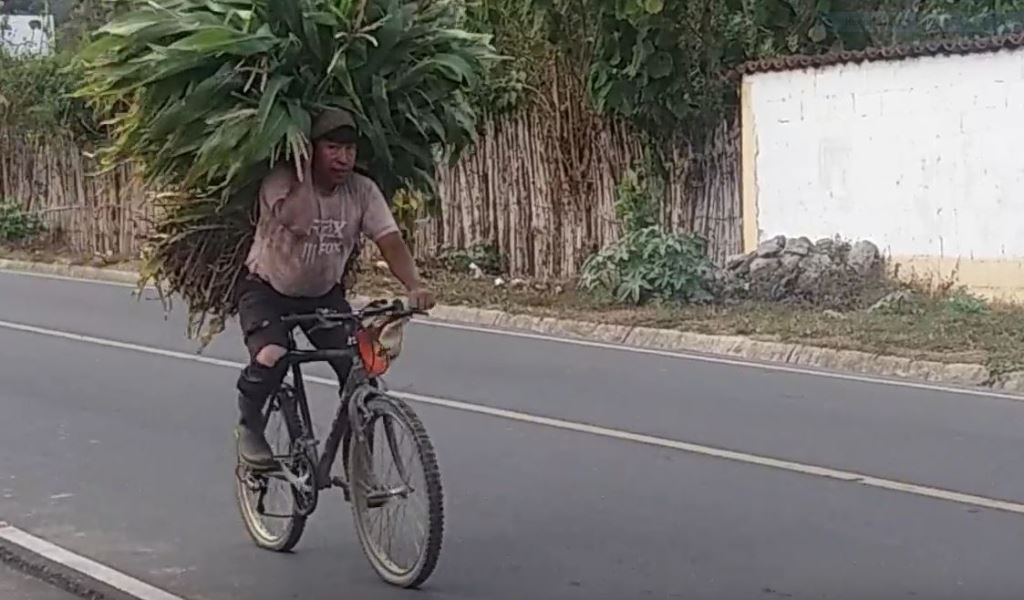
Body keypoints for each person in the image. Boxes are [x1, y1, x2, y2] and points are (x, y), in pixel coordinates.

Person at [234, 107, 435, 469]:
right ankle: (250, 426)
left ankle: (359, 462)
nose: (343, 158)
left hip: (323, 296)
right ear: (311, 148)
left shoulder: (362, 191)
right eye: (332, 148)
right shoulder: (280, 183)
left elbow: (389, 240)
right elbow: (300, 221)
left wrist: (414, 285)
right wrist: (304, 171)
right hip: (266, 290)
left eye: (350, 150)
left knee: (360, 368)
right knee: (272, 355)